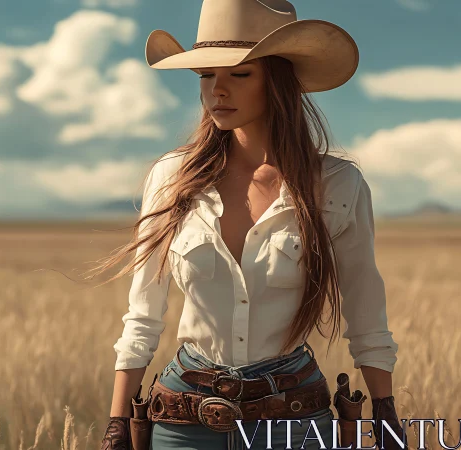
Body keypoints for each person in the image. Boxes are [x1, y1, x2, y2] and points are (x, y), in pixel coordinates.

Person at [90, 0, 409, 449]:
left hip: (294, 417)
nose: (217, 90)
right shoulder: (172, 178)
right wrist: (118, 424)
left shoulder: (337, 185)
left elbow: (366, 312)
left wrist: (387, 413)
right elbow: (142, 315)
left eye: (239, 75)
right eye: (206, 76)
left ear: (277, 82)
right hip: (183, 419)